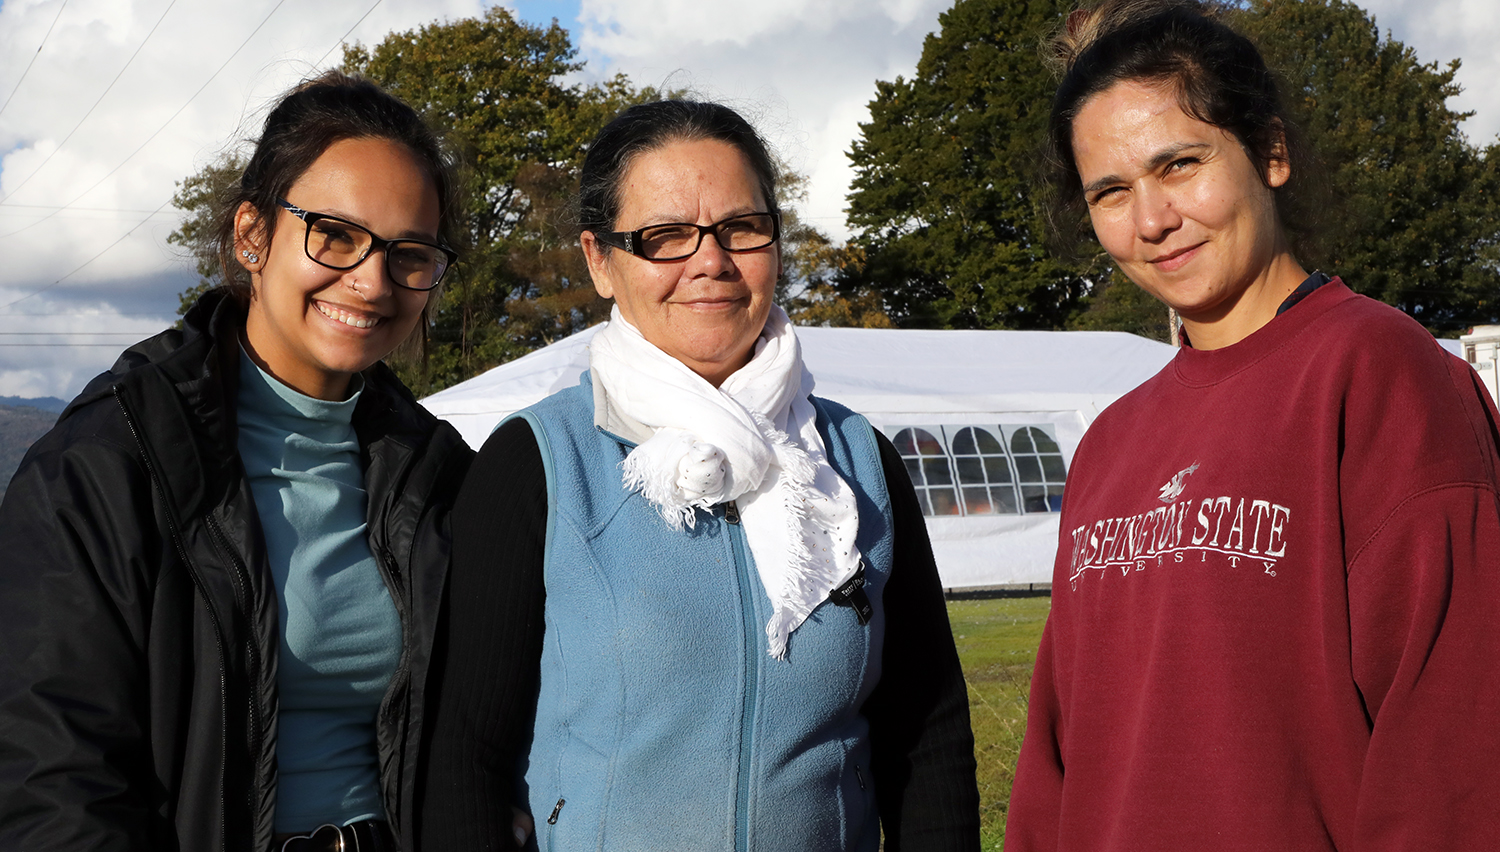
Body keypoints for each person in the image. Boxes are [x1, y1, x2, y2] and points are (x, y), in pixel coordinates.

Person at [420, 99, 981, 851]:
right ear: (600, 260)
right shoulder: (540, 461)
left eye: (741, 229)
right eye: (665, 236)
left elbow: (926, 731)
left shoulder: (857, 461)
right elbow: (465, 757)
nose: (710, 261)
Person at [1006, 1, 1500, 849]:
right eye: (1112, 192)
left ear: (1269, 152)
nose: (1151, 219)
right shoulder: (1111, 443)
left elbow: (1451, 750)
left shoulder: (1383, 373)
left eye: (1181, 165)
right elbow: (1056, 757)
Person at [0, 71, 472, 852]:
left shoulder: (438, 474)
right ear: (252, 235)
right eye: (336, 234)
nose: (371, 280)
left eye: (409, 253)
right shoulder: (109, 460)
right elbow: (48, 774)